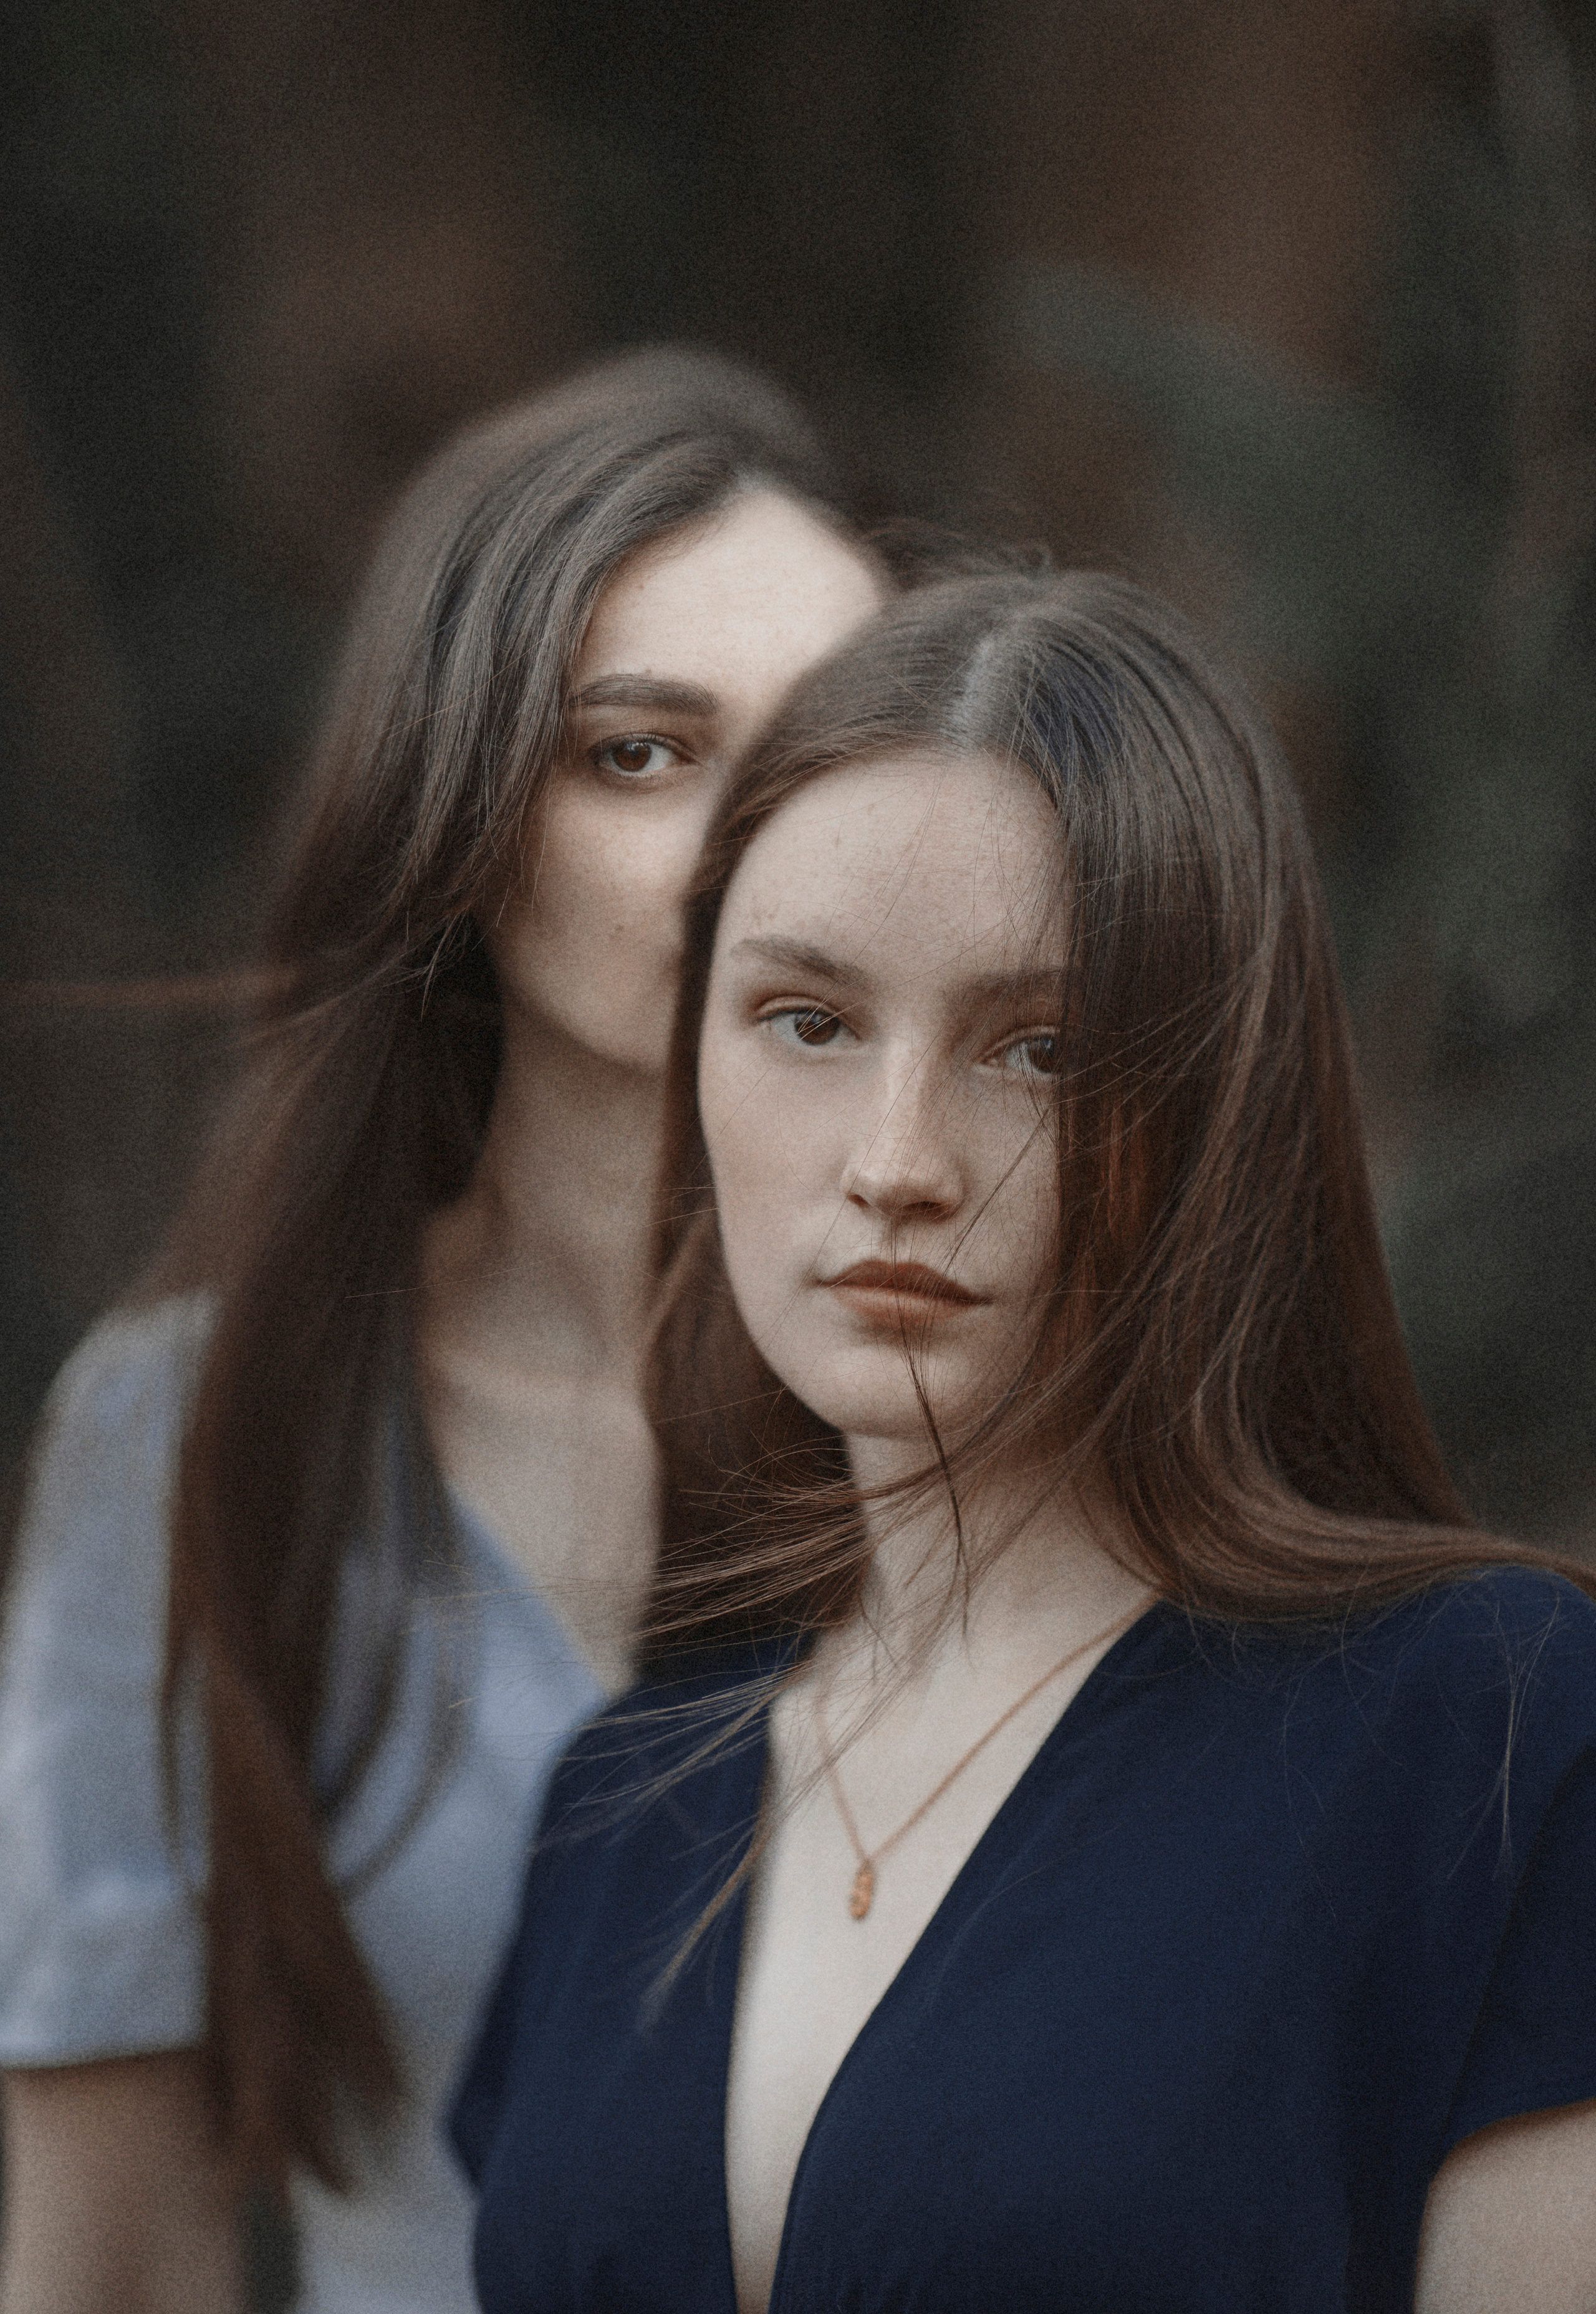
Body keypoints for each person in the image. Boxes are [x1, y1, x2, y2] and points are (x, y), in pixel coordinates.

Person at [453, 571, 1596, 2313]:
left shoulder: (1490, 1728)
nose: (898, 1156)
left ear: (1217, 1100)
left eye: (1040, 1048)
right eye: (808, 1022)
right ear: (696, 1061)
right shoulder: (627, 1802)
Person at [0, 345, 892, 2314]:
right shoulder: (192, 1432)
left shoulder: (1050, 1400)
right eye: (642, 752)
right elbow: (112, 2262)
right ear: (465, 813)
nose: (760, 843)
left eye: (830, 755)